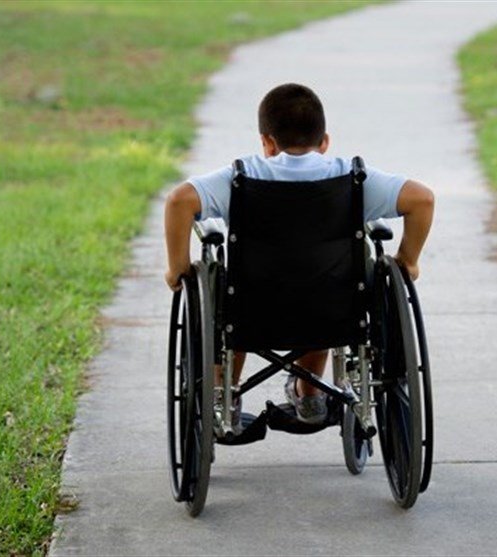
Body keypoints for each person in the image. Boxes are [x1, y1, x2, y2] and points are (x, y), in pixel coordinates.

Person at [164, 83, 434, 428]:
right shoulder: (351, 177)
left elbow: (179, 201)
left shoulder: (241, 177)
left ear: (267, 142)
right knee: (326, 282)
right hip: (333, 310)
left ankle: (225, 392)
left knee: (231, 295)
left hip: (251, 308)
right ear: (324, 142)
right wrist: (408, 259)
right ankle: (310, 394)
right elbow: (422, 200)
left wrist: (177, 268)